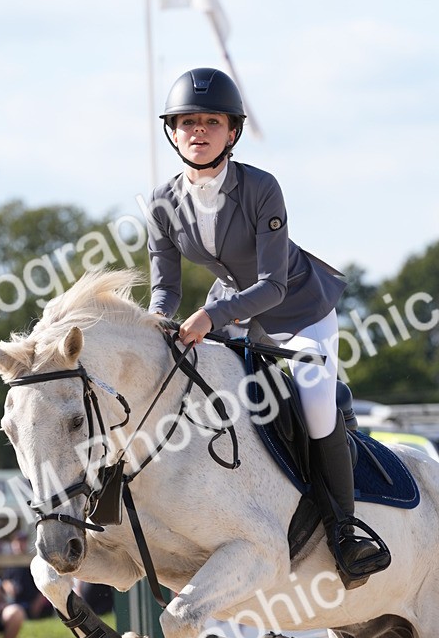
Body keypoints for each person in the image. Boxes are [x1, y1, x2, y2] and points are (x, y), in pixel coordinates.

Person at [146, 65, 390, 589]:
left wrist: (211, 317)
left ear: (231, 131)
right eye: (187, 121)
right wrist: (159, 326)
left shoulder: (260, 187)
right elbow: (164, 290)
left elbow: (272, 287)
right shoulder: (163, 203)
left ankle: (346, 532)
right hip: (233, 313)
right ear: (173, 131)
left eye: (211, 121)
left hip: (299, 314)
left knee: (317, 406)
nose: (198, 131)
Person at [0, 530, 53, 619]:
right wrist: (7, 585)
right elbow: (5, 580)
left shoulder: (35, 561)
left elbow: (46, 583)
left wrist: (38, 603)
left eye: (22, 542)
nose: (19, 545)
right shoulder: (10, 562)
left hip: (35, 604)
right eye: (16, 542)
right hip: (17, 603)